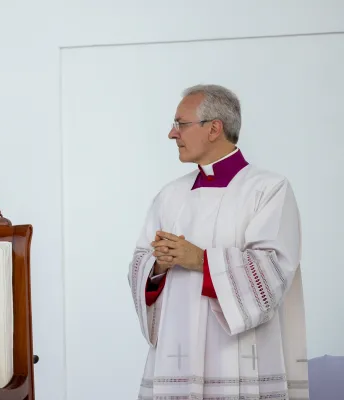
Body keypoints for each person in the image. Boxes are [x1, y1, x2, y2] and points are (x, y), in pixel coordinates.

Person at [128, 84, 309, 399]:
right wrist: (157, 264)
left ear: (214, 128)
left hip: (239, 355)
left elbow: (274, 270)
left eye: (180, 124)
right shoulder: (169, 196)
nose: (172, 134)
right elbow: (139, 265)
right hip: (177, 352)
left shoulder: (268, 190)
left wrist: (198, 259)